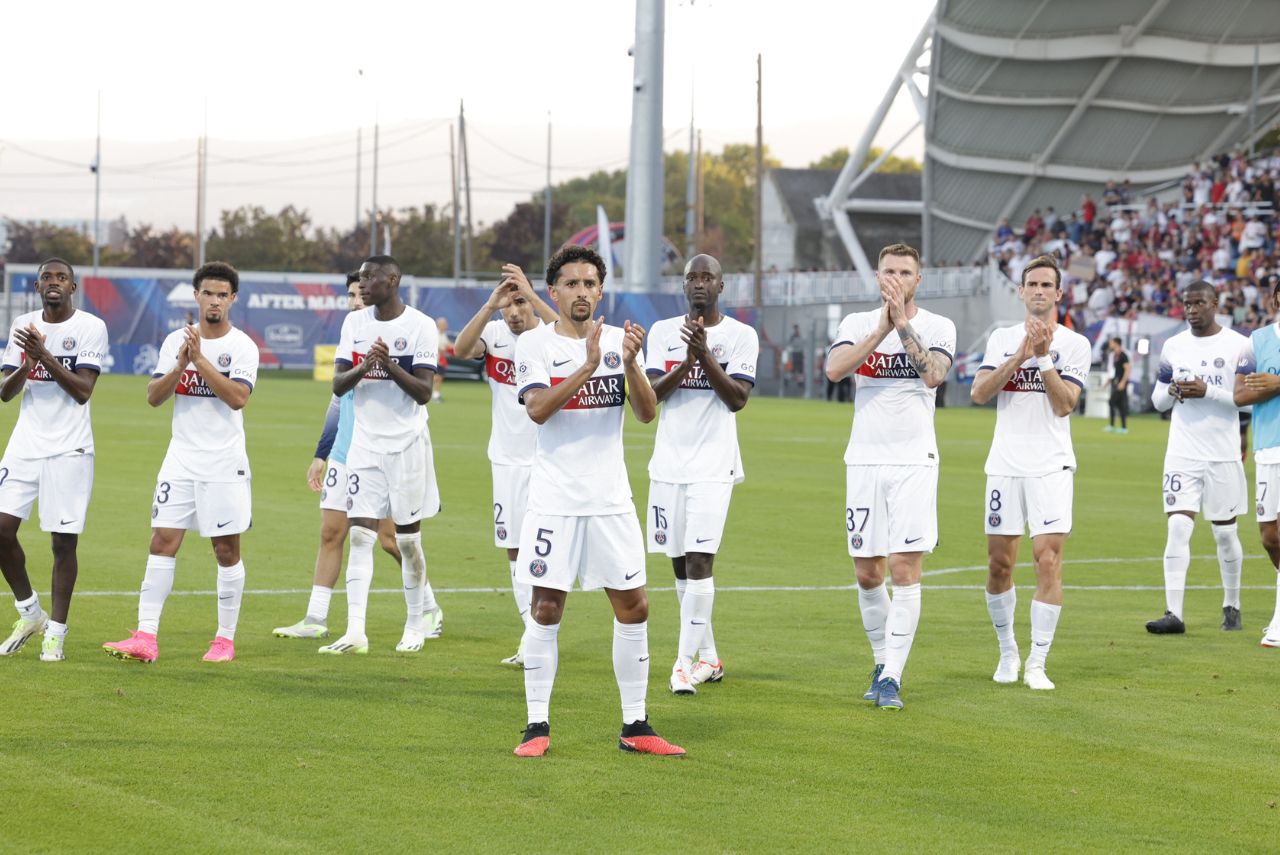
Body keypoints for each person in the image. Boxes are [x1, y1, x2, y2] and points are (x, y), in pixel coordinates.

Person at [511, 245, 683, 757]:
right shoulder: (534, 346)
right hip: (554, 500)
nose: (581, 292)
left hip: (610, 500)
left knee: (633, 605)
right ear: (553, 292)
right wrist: (587, 367)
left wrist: (629, 364)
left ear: (600, 291)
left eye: (590, 284)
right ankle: (536, 728)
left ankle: (636, 725)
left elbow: (647, 413)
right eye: (572, 283)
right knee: (546, 607)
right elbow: (538, 409)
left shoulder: (620, 340)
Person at [103, 261, 259, 663]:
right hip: (181, 460)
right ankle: (145, 637)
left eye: (222, 295)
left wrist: (201, 361)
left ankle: (224, 640)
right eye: (208, 293)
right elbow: (154, 397)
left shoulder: (242, 346)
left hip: (224, 463)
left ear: (232, 300)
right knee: (162, 542)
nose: (214, 301)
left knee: (225, 549)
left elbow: (238, 398)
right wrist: (180, 364)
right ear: (197, 296)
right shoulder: (176, 340)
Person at [825, 243, 956, 710]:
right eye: (888, 271)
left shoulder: (939, 326)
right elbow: (836, 369)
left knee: (904, 569)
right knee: (866, 573)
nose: (896, 278)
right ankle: (881, 661)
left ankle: (893, 678)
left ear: (918, 280)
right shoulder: (856, 324)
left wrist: (902, 324)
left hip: (914, 461)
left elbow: (934, 375)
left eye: (905, 272)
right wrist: (882, 324)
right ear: (877, 277)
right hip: (863, 460)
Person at [970, 255, 1090, 691]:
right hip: (1004, 465)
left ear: (1059, 294)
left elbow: (1064, 404)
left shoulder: (1076, 344)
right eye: (1031, 284)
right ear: (1021, 291)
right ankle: (1007, 651)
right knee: (999, 565)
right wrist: (1019, 355)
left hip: (1051, 467)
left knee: (1048, 562)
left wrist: (1042, 360)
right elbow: (979, 393)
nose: (1038, 291)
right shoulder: (1001, 337)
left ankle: (1038, 662)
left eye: (1046, 285)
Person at [645, 254, 758, 694]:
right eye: (692, 277)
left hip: (714, 465)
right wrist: (687, 364)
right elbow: (651, 397)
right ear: (683, 284)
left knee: (699, 560)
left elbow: (737, 399)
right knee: (678, 565)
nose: (698, 283)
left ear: (721, 286)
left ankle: (681, 663)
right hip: (669, 465)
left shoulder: (741, 336)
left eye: (707, 277)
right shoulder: (661, 332)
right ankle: (708, 657)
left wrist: (705, 355)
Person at [320, 255, 443, 655]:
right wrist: (364, 367)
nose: (363, 282)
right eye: (361, 277)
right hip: (365, 445)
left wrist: (387, 366)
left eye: (371, 276)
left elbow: (425, 392)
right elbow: (338, 384)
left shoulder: (420, 325)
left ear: (393, 279)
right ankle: (355, 630)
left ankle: (415, 625)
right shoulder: (354, 323)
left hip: (407, 444)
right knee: (359, 535)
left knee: (407, 542)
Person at [273, 271, 402, 640]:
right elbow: (337, 400)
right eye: (350, 295)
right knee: (331, 533)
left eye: (361, 294)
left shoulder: (395, 336)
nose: (355, 300)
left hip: (382, 454)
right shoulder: (349, 338)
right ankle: (316, 619)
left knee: (391, 540)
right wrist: (321, 453)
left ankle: (426, 605)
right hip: (345, 454)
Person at [0, 258, 108, 661]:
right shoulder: (23, 326)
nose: (54, 283)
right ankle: (30, 613)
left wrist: (43, 355)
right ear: (37, 285)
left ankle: (56, 634)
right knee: (1, 529)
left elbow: (83, 390)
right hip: (25, 445)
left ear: (73, 287)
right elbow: (6, 393)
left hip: (69, 449)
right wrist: (26, 366)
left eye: (61, 277)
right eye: (47, 277)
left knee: (63, 542)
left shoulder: (90, 327)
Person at [451, 263, 558, 665]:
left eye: (519, 304)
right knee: (514, 549)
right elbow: (461, 350)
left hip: (548, 461)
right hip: (506, 460)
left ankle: (542, 631)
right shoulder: (494, 336)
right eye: (507, 306)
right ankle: (530, 637)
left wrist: (532, 296)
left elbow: (573, 337)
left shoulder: (549, 336)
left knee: (546, 549)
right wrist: (488, 306)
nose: (513, 313)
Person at [1146, 282, 1249, 634]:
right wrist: (1173, 391)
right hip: (1181, 452)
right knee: (1177, 526)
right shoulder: (1174, 346)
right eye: (1187, 303)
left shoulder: (1239, 345)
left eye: (1199, 303)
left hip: (1222, 454)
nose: (1191, 309)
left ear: (1215, 304)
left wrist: (1209, 391)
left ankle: (1231, 605)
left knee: (1224, 534)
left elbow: (1248, 399)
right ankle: (1173, 613)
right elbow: (1157, 400)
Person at [1233, 274, 1280, 649]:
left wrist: (1277, 383)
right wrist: (1257, 387)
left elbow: (1267, 385)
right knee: (1269, 536)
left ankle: (1279, 621)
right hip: (1268, 448)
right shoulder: (1258, 340)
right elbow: (1238, 393)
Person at [1105, 337, 1131, 433]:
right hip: (1117, 382)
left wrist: (1123, 382)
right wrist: (1107, 382)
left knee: (1112, 402)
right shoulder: (1115, 355)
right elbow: (1115, 371)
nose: (1110, 344)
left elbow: (1128, 369)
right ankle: (1123, 428)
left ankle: (1113, 426)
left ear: (1116, 343)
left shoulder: (1123, 355)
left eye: (1111, 342)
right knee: (1120, 405)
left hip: (1121, 383)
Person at [432, 316, 450, 402]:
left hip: (441, 360)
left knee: (440, 378)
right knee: (436, 377)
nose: (446, 325)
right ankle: (434, 395)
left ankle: (436, 395)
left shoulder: (443, 334)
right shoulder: (434, 333)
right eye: (444, 324)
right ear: (439, 324)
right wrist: (442, 349)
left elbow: (446, 345)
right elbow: (434, 346)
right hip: (435, 360)